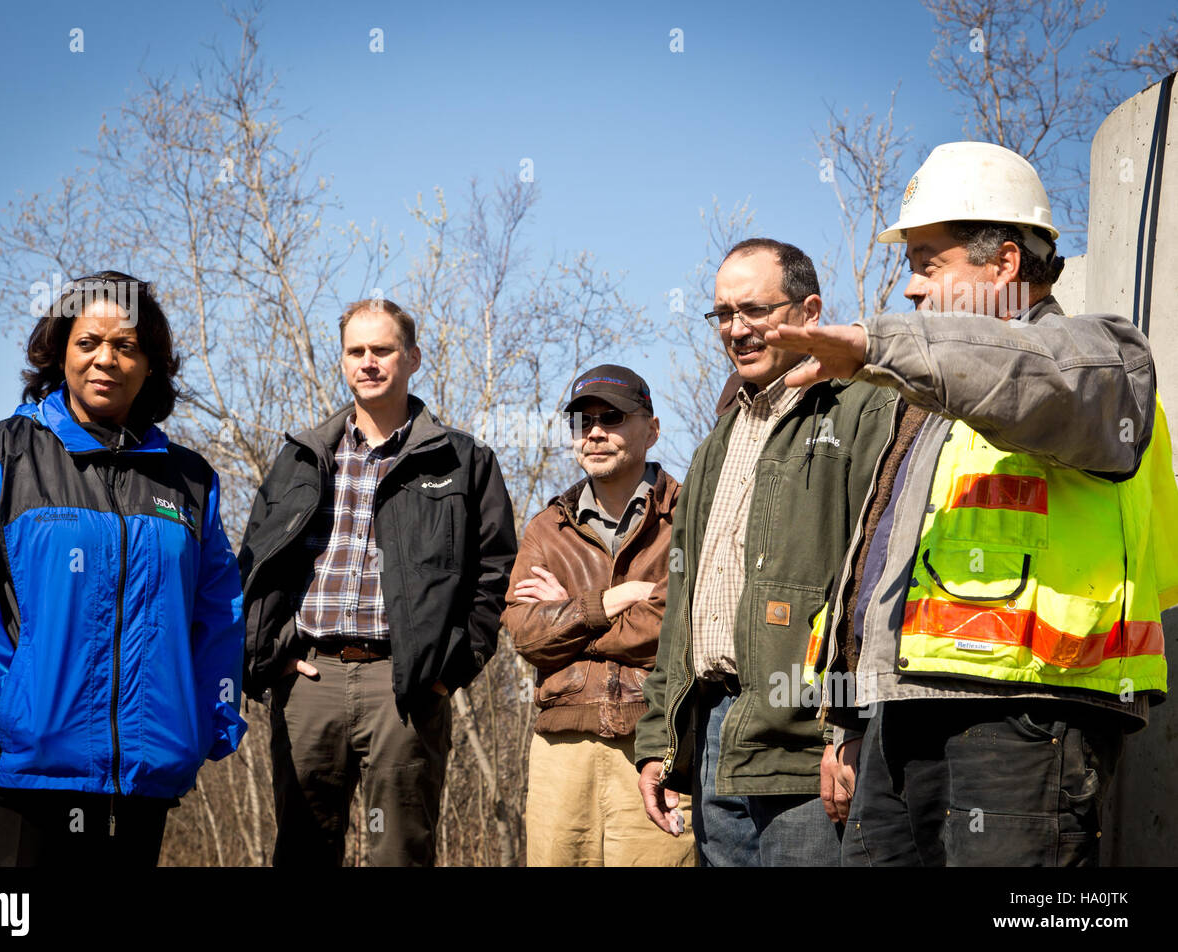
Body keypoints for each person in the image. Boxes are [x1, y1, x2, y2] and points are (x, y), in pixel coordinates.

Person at [777, 141, 1178, 866]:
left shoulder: (1100, 360)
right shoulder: (926, 406)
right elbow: (876, 566)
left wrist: (877, 346)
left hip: (1028, 712)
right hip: (905, 711)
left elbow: (1018, 372)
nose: (911, 290)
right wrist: (849, 716)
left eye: (929, 263)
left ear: (1004, 263)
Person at [0, 272, 246, 866]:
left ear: (151, 365)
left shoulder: (191, 481)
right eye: (88, 342)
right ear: (60, 351)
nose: (106, 360)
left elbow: (217, 613)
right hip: (21, 773)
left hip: (144, 777)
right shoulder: (2, 455)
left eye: (126, 346)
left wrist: (201, 724)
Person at [633, 239, 897, 866]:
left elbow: (877, 584)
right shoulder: (716, 442)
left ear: (809, 311)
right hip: (718, 733)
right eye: (723, 314)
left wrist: (851, 726)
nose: (736, 329)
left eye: (754, 310)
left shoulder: (863, 407)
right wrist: (659, 744)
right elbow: (683, 606)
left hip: (809, 744)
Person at [240, 297, 517, 867]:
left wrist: (447, 671)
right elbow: (254, 562)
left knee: (400, 854)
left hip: (405, 689)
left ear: (412, 357)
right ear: (342, 361)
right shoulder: (301, 457)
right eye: (355, 351)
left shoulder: (462, 460)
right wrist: (267, 655)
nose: (368, 362)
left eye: (382, 350)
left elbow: (495, 576)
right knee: (301, 853)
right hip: (309, 679)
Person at [503, 365, 695, 866]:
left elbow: (674, 625)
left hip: (656, 742)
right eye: (582, 421)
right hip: (559, 751)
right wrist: (605, 604)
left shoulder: (690, 514)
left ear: (652, 429)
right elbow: (525, 634)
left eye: (611, 417)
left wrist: (567, 616)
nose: (594, 432)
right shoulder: (547, 528)